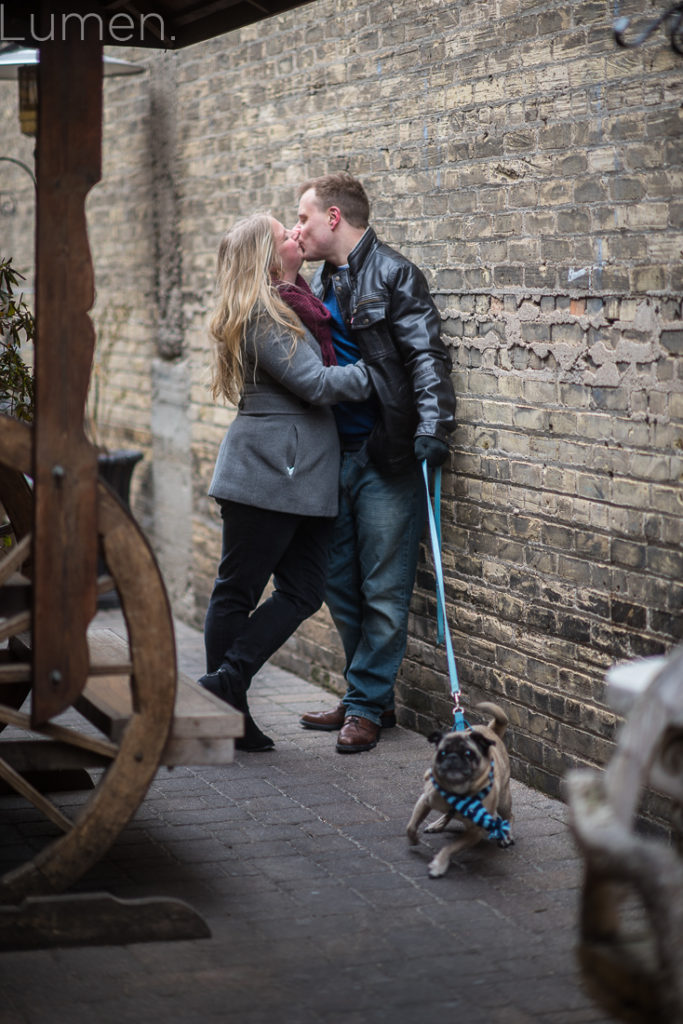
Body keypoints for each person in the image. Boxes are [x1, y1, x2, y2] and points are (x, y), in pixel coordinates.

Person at [293, 172, 456, 754]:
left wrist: (435, 428)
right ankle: (370, 697)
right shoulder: (320, 281)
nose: (298, 227)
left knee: (385, 589)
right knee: (339, 584)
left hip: (388, 454)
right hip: (333, 456)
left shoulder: (394, 273)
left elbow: (426, 357)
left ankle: (363, 705)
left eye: (304, 217)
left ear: (333, 217)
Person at [199, 212, 373, 751]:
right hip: (266, 475)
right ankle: (229, 712)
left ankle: (226, 686)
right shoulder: (262, 315)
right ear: (268, 257)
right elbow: (315, 383)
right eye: (285, 234)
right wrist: (380, 371)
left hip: (299, 475)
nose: (296, 235)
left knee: (303, 590)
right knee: (238, 591)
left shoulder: (301, 306)